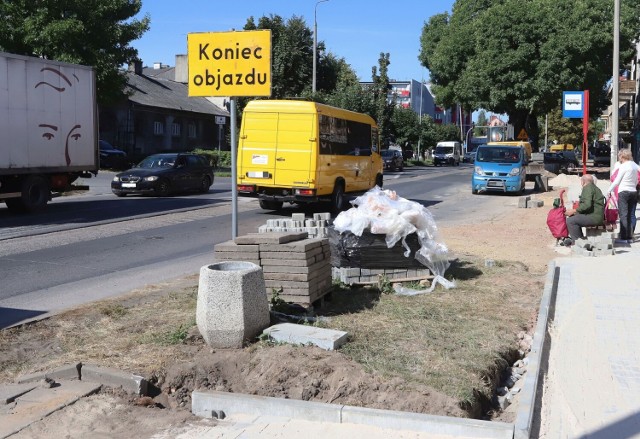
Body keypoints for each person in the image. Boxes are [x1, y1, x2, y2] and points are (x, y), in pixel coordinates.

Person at [607, 148, 639, 243]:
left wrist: (609, 190)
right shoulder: (634, 165)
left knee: (623, 215)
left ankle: (624, 237)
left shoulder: (623, 166)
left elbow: (617, 181)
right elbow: (638, 176)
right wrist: (635, 183)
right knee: (630, 214)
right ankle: (630, 237)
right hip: (633, 191)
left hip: (623, 191)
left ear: (622, 156)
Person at [564, 174, 605, 246]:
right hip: (597, 216)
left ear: (583, 181)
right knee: (574, 218)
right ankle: (580, 240)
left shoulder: (587, 188)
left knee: (570, 221)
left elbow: (587, 205)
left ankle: (578, 243)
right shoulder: (595, 188)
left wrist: (574, 211)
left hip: (594, 217)